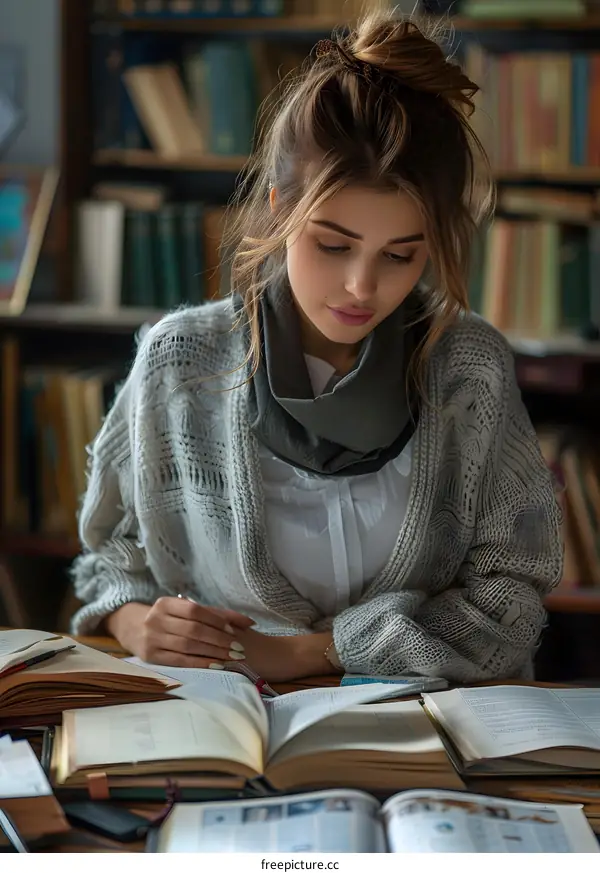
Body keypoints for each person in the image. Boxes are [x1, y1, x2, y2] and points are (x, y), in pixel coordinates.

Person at [71, 11, 563, 684]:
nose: (362, 286)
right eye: (332, 245)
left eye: (400, 254)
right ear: (278, 210)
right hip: (235, 722)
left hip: (432, 730)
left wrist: (318, 651)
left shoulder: (466, 368)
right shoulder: (180, 361)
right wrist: (137, 623)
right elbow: (110, 561)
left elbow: (511, 597)